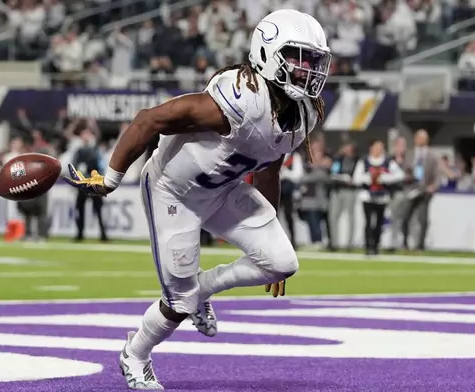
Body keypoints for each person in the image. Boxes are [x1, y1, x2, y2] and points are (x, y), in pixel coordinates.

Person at [64, 10, 331, 390]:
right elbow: (148, 119)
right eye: (297, 58)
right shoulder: (241, 98)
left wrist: (269, 229)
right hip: (173, 192)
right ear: (268, 53)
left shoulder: (303, 114)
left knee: (281, 261)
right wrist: (111, 179)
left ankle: (201, 288)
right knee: (179, 303)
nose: (307, 71)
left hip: (222, 190)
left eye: (314, 62)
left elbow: (269, 170)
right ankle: (135, 355)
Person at [352, 140, 404, 255]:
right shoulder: (364, 161)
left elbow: (400, 175)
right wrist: (369, 178)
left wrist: (384, 178)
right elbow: (356, 178)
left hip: (382, 196)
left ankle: (376, 245)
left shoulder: (387, 161)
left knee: (379, 222)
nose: (378, 150)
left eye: (380, 148)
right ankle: (368, 246)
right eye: (376, 148)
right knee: (368, 222)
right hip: (367, 196)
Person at [402, 129, 440, 251]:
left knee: (422, 218)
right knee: (405, 217)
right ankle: (405, 243)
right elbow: (404, 169)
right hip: (411, 189)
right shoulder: (409, 154)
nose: (421, 140)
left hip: (425, 190)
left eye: (423, 138)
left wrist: (433, 186)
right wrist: (406, 177)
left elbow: (437, 174)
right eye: (419, 138)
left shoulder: (432, 155)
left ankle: (420, 245)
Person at [72, 128, 108, 241]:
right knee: (80, 209)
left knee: (99, 209)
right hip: (83, 184)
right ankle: (80, 233)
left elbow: (101, 165)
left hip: (93, 183)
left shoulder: (96, 150)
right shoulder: (79, 151)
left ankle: (103, 233)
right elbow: (74, 166)